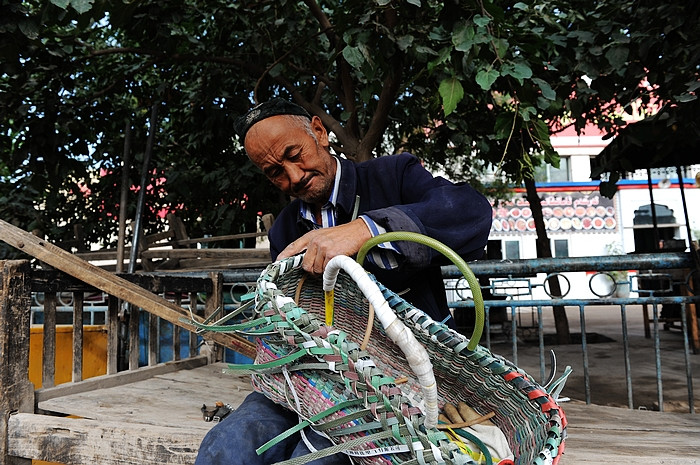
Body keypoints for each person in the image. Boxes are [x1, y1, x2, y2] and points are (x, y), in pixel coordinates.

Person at [194, 98, 493, 465]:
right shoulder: (286, 230)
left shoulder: (394, 176)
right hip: (312, 377)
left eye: (294, 153)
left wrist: (364, 229)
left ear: (319, 132)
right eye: (275, 172)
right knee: (227, 446)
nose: (293, 176)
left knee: (317, 459)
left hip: (404, 380)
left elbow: (471, 211)